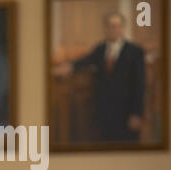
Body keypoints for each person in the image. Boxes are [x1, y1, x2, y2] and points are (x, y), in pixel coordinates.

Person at [56, 13, 145, 143]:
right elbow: (85, 60)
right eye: (110, 26)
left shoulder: (135, 51)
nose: (113, 29)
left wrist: (136, 113)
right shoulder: (100, 49)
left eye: (116, 26)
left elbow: (140, 84)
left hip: (127, 112)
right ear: (106, 29)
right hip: (104, 111)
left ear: (122, 28)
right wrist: (69, 66)